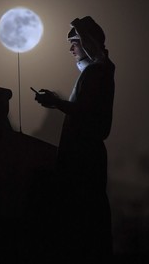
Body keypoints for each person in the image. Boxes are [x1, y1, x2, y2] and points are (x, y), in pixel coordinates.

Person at [33, 16, 115, 263]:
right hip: (81, 154)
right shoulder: (94, 72)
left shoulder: (97, 72)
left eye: (75, 43)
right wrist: (59, 100)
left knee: (83, 217)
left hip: (84, 156)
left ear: (88, 43)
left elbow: (86, 111)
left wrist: (55, 103)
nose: (71, 49)